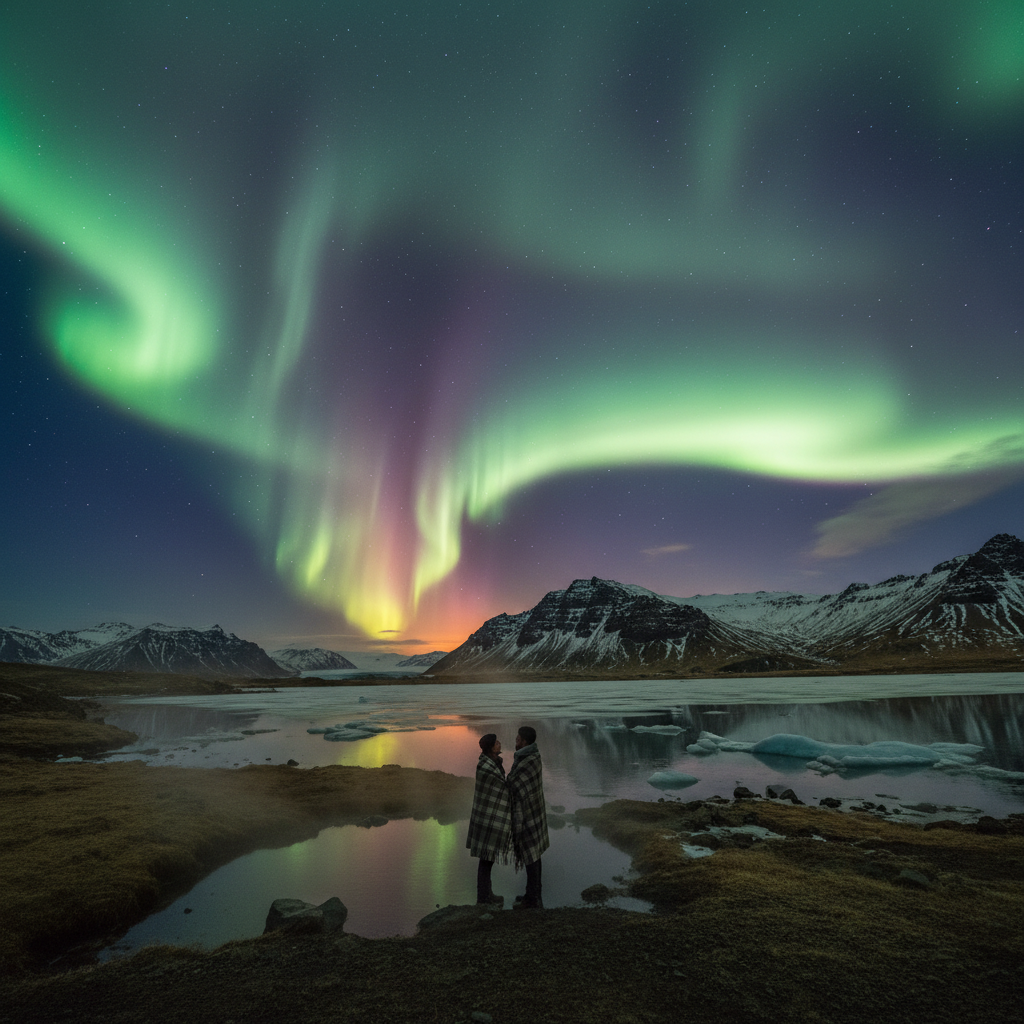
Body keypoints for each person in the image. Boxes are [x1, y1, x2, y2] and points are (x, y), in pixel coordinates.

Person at [465, 733, 512, 905]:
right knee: (486, 858)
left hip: (488, 817)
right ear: (492, 747)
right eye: (497, 742)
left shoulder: (492, 762)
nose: (500, 744)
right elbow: (499, 788)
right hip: (487, 817)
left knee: (488, 858)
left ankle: (486, 895)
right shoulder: (485, 765)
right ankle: (484, 897)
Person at [506, 725, 549, 909]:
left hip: (528, 813)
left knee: (531, 855)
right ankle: (533, 895)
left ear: (524, 741)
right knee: (534, 854)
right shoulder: (532, 756)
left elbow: (513, 784)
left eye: (517, 739)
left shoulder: (527, 760)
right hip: (534, 810)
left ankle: (532, 899)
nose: (515, 741)